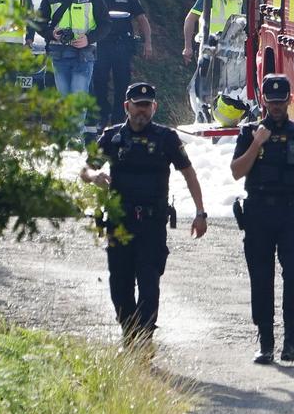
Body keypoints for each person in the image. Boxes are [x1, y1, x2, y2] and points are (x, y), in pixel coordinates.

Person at [80, 82, 208, 348]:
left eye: (147, 106)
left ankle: (145, 338)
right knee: (120, 285)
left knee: (149, 285)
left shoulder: (166, 138)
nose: (142, 111)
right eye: (137, 106)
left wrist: (200, 212)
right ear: (127, 107)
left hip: (152, 223)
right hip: (119, 222)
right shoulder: (112, 137)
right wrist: (96, 176)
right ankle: (130, 335)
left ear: (154, 107)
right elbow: (85, 170)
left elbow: (189, 174)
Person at [229, 73, 294, 364]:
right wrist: (257, 143)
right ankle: (266, 341)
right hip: (258, 211)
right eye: (271, 102)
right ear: (263, 101)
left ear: (289, 100)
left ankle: (292, 341)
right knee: (261, 278)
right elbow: (236, 171)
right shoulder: (249, 133)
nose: (276, 107)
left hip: (289, 212)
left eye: (281, 101)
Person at [41, 0, 110, 115]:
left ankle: (75, 139)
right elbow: (38, 21)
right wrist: (52, 34)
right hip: (59, 55)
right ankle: (68, 137)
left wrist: (88, 38)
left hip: (84, 55)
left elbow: (106, 24)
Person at [94, 0, 153, 128]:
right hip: (102, 46)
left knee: (122, 83)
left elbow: (142, 20)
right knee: (99, 82)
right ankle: (102, 116)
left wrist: (148, 43)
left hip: (122, 46)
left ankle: (118, 120)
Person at [184, 0, 248, 112]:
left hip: (230, 52)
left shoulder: (239, 1)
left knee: (226, 89)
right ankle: (202, 113)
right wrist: (187, 46)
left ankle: (219, 114)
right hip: (209, 49)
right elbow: (190, 19)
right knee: (204, 88)